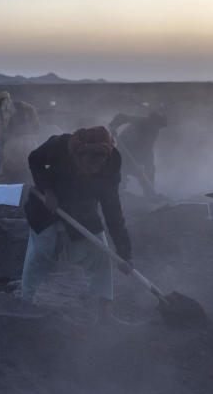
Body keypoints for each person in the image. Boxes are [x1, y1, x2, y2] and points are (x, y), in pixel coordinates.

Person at [21, 126, 132, 306]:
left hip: (83, 211)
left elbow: (112, 209)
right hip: (47, 207)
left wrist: (125, 253)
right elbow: (34, 159)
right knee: (40, 253)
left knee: (101, 255)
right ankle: (26, 300)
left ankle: (104, 312)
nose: (94, 168)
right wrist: (48, 190)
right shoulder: (60, 145)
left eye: (99, 162)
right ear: (78, 155)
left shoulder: (111, 165)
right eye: (90, 162)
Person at [108, 111, 168, 199]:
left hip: (141, 156)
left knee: (149, 172)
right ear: (151, 120)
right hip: (124, 152)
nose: (157, 127)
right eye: (156, 124)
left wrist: (144, 164)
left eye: (159, 126)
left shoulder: (155, 131)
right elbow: (121, 116)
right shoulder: (140, 121)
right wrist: (113, 126)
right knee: (120, 173)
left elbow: (148, 149)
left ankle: (150, 195)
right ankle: (117, 195)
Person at [0, 90, 41, 184]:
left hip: (12, 144)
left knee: (4, 171)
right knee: (35, 164)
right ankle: (39, 185)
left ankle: (0, 190)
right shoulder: (22, 105)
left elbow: (0, 133)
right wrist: (34, 127)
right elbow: (33, 112)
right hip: (28, 141)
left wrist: (4, 142)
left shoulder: (0, 114)